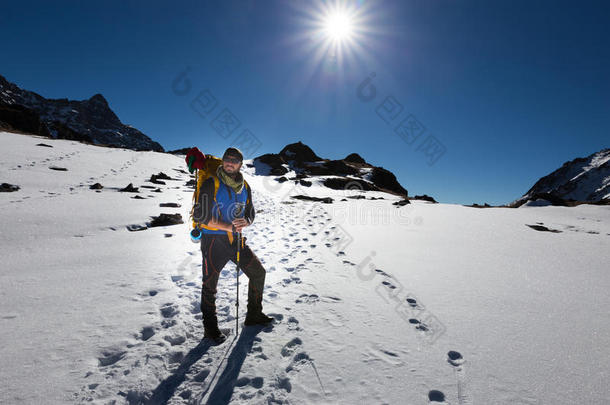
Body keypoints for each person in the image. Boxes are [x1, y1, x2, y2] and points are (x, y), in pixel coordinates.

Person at [193, 147, 272, 343]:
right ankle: (210, 329)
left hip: (236, 242)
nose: (230, 162)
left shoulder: (245, 186)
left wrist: (247, 221)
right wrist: (227, 226)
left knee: (258, 273)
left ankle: (254, 315)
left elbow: (250, 211)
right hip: (213, 242)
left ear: (240, 164)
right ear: (222, 161)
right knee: (209, 285)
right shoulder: (212, 182)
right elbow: (200, 216)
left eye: (234, 160)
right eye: (227, 159)